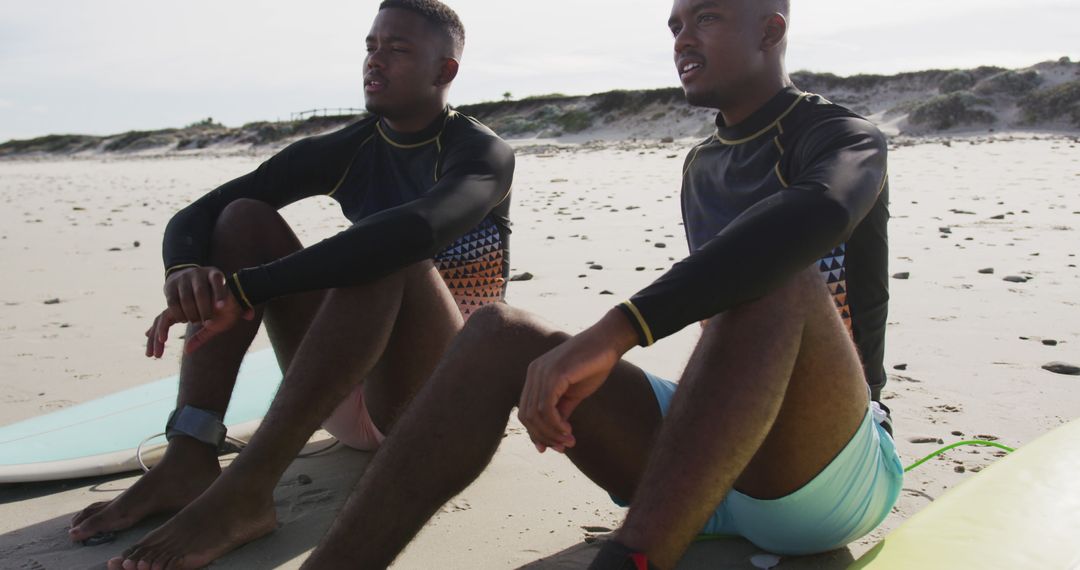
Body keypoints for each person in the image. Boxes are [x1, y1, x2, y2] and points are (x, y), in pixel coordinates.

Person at [297, 0, 901, 568]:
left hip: (822, 474)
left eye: (706, 18)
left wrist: (618, 331)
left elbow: (815, 212)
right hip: (702, 469)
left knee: (780, 277)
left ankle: (631, 557)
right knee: (497, 331)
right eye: (675, 26)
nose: (683, 39)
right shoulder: (702, 164)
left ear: (770, 31)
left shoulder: (843, 138)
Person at [67, 1, 516, 568]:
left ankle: (249, 490)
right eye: (371, 46)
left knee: (389, 250)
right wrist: (184, 271)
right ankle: (190, 450)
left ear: (444, 71)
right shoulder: (350, 148)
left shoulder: (483, 154)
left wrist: (247, 289)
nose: (376, 60)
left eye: (398, 49)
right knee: (243, 218)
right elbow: (202, 214)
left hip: (443, 408)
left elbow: (414, 231)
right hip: (344, 390)